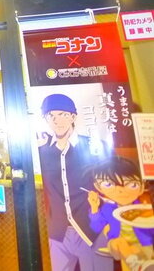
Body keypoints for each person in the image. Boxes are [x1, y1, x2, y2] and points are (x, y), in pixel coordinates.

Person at [36, 93, 111, 271]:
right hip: (58, 232)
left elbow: (111, 184)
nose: (56, 120)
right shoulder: (40, 151)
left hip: (92, 229)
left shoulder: (95, 146)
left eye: (62, 114)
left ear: (73, 117)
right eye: (51, 115)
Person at [88, 157, 154, 270]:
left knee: (141, 256)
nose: (120, 191)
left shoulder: (143, 208)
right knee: (119, 243)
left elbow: (150, 226)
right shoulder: (107, 209)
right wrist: (94, 207)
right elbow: (97, 227)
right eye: (109, 185)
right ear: (98, 187)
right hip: (118, 246)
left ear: (142, 186)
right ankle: (136, 264)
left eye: (132, 185)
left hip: (144, 243)